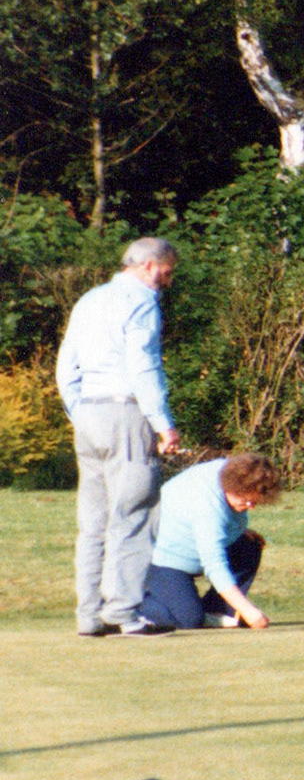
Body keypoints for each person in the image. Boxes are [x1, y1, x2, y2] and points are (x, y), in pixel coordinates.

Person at [56, 237, 184, 638]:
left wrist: (78, 411)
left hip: (89, 412)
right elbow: (143, 366)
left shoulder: (90, 299)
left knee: (93, 520)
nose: (168, 278)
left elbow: (66, 364)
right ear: (149, 266)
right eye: (167, 269)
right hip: (127, 411)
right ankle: (124, 613)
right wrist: (162, 422)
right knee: (134, 514)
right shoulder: (142, 301)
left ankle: (89, 615)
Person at [139, 454, 282, 632]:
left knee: (249, 546)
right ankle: (125, 605)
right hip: (160, 559)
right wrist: (248, 610)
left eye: (254, 501)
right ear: (232, 487)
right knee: (188, 619)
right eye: (246, 500)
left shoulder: (230, 472)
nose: (250, 506)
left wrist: (236, 530)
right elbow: (214, 564)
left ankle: (215, 610)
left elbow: (222, 523)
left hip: (190, 547)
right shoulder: (208, 509)